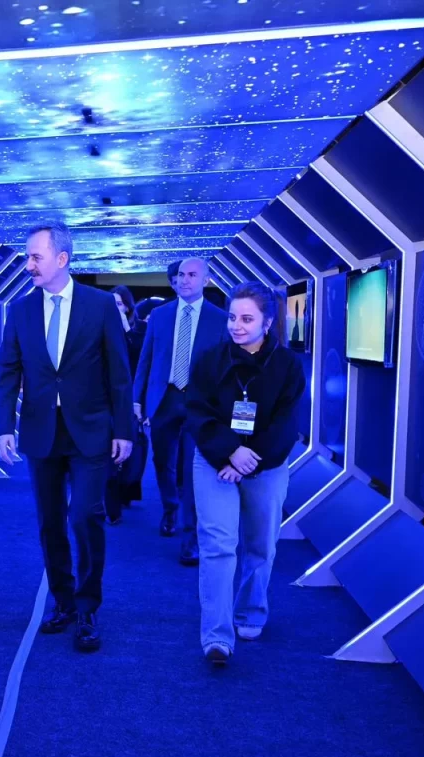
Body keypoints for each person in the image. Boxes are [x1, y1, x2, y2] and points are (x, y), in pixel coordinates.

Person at [0, 223, 133, 652]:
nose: (28, 265)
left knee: (84, 517)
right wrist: (4, 427)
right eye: (28, 257)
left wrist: (124, 430)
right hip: (42, 432)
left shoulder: (100, 305)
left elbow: (119, 372)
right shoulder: (20, 311)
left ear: (62, 259)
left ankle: (88, 606)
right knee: (49, 522)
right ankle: (64, 601)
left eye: (36, 257)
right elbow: (7, 372)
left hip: (91, 431)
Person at [185, 281, 306, 665]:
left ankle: (250, 612)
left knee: (260, 545)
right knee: (218, 545)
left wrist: (248, 460)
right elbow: (197, 412)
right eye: (233, 317)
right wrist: (228, 453)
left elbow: (286, 424)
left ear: (267, 323)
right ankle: (216, 637)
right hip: (214, 461)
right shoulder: (209, 359)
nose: (236, 326)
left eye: (247, 319)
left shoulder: (287, 366)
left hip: (265, 464)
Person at [133, 258, 228, 563]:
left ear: (206, 280)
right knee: (162, 461)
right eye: (181, 275)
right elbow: (146, 359)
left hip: (200, 404)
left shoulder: (219, 319)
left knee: (192, 469)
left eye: (192, 275)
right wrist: (137, 399)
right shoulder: (160, 315)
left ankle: (191, 538)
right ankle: (170, 508)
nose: (185, 280)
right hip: (164, 399)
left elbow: (226, 367)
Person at [105, 285, 146, 523]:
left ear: (128, 307)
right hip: (103, 400)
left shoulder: (139, 332)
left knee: (129, 450)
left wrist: (126, 330)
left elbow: (140, 363)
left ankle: (125, 493)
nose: (115, 309)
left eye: (119, 304)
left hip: (130, 399)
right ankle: (111, 507)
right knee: (105, 453)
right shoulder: (96, 329)